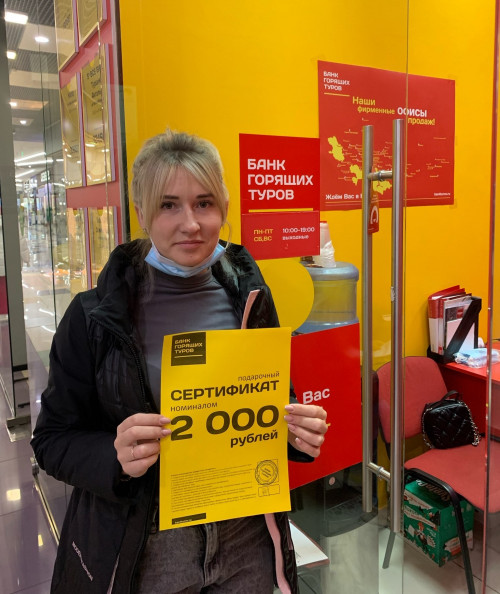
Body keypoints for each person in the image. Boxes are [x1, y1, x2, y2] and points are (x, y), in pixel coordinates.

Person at [31, 129, 328, 594]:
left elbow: (268, 405)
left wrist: (294, 434)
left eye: (203, 203)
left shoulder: (250, 298)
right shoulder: (94, 316)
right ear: (141, 213)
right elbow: (51, 441)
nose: (190, 223)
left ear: (223, 209)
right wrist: (113, 456)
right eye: (169, 205)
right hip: (148, 545)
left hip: (244, 536)